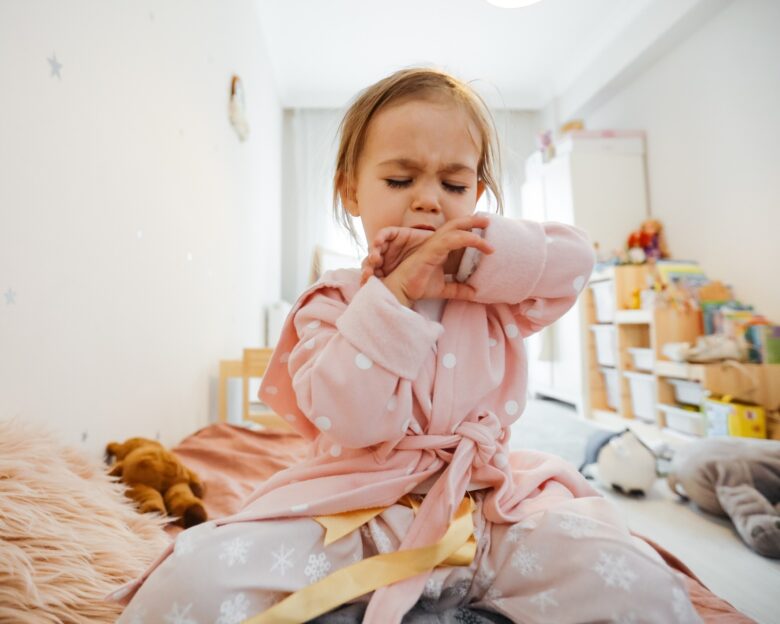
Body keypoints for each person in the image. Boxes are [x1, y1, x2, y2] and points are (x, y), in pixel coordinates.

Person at [113, 68, 700, 624]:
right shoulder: (333, 300)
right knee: (194, 579)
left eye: (454, 183)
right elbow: (351, 417)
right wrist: (392, 296)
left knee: (640, 581)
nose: (428, 200)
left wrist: (476, 261)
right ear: (351, 192)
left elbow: (575, 261)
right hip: (354, 514)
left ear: (479, 192)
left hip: (489, 511)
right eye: (400, 180)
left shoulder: (495, 287)